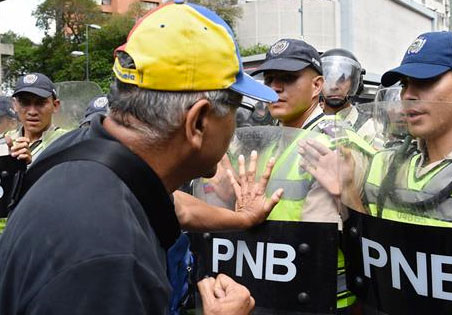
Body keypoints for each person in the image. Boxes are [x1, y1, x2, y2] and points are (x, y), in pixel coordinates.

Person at [0, 2, 282, 314]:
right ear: (199, 122)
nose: (234, 126)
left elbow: (170, 206)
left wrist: (243, 219)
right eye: (235, 110)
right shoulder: (112, 260)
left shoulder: (84, 154)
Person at [251, 38, 375, 313]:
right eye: (270, 79)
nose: (275, 88)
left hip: (321, 297)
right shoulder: (273, 142)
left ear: (317, 85)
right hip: (277, 286)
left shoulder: (330, 145)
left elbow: (321, 240)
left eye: (288, 78)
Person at [303, 31, 452, 227]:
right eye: (404, 84)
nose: (408, 95)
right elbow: (372, 247)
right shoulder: (383, 164)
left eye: (427, 80)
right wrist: (348, 189)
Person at [320, 48, 378, 145]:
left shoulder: (369, 128)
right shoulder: (309, 119)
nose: (334, 86)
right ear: (319, 82)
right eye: (329, 79)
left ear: (354, 84)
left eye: (342, 79)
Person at [7, 72, 67, 163]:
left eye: (40, 103)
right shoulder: (5, 142)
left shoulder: (68, 142)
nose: (32, 112)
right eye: (25, 103)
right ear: (14, 105)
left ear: (55, 105)